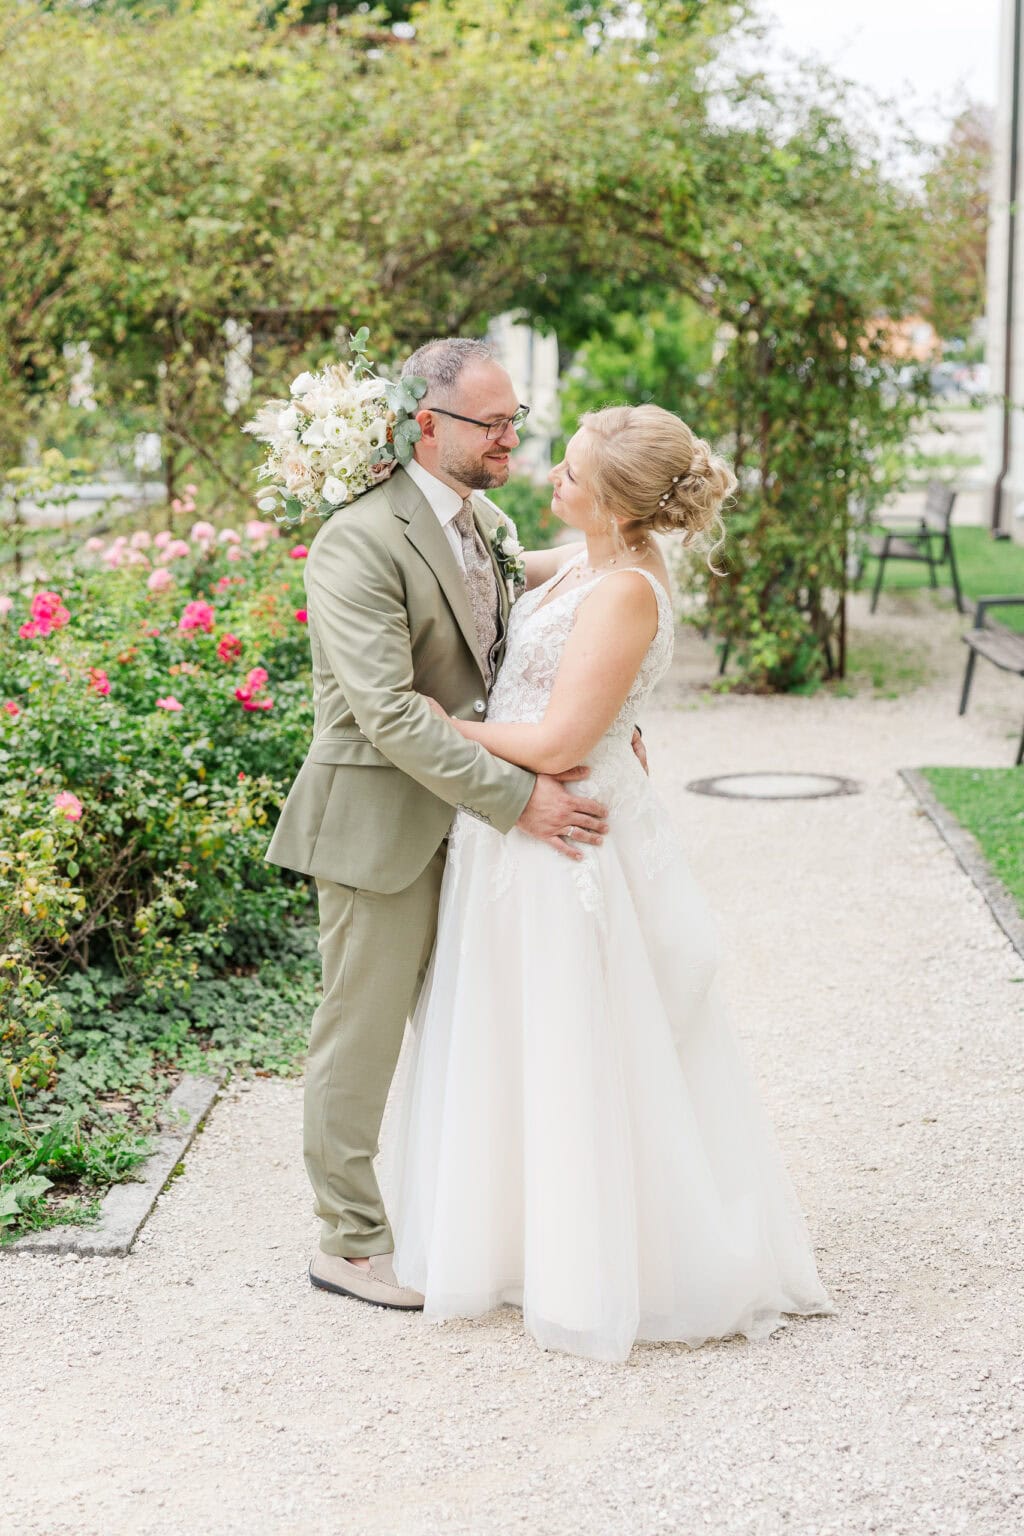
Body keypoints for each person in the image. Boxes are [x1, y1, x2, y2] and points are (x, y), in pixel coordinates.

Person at [384, 403, 834, 1361]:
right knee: (519, 1032)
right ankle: (516, 1235)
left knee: (577, 1036)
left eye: (573, 475)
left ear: (620, 509)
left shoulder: (627, 589)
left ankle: (597, 1261)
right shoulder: (585, 560)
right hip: (521, 828)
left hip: (569, 839)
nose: (552, 478)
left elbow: (555, 740)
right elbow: (496, 567)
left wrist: (433, 723)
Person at [267, 339, 643, 1311]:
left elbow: (555, 619)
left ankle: (468, 1225)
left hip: (473, 838)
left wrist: (616, 713)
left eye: (516, 419)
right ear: (426, 426)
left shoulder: (489, 521)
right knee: (362, 1036)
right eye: (494, 423)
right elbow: (388, 713)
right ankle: (346, 1243)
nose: (513, 437)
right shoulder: (357, 540)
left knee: (464, 1035)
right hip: (382, 825)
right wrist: (522, 800)